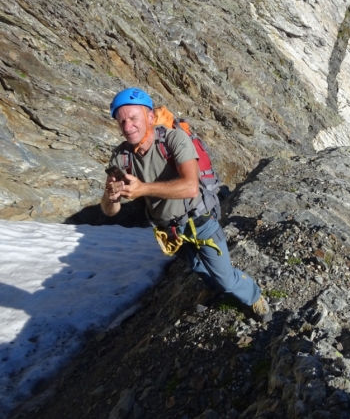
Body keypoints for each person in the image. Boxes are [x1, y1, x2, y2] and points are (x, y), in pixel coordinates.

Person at [101, 87, 271, 322]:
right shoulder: (121, 157)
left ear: (150, 117)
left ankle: (254, 298)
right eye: (122, 122)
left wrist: (143, 188)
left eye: (133, 118)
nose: (128, 127)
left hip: (200, 220)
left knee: (225, 277)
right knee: (198, 267)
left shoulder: (172, 139)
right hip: (168, 230)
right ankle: (215, 290)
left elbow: (190, 186)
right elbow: (111, 211)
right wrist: (111, 196)